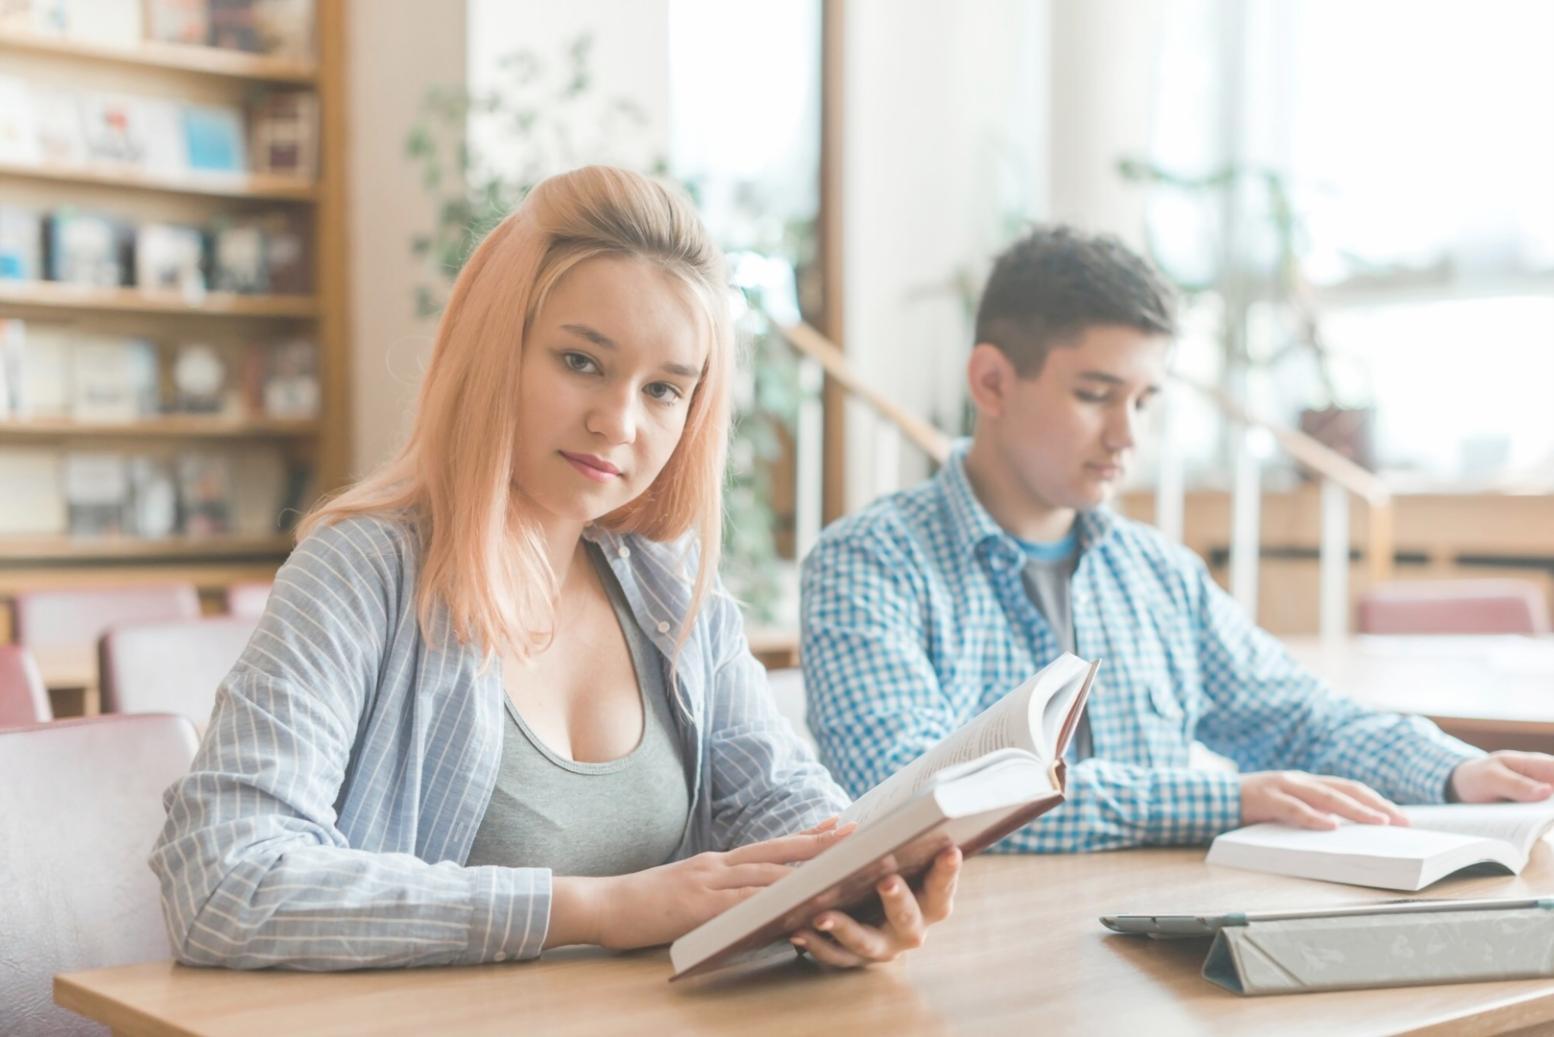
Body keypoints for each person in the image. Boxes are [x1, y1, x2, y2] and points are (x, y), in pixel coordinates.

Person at [151, 166, 959, 970]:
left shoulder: (670, 589)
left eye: (665, 390)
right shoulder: (363, 571)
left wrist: (859, 887)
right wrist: (594, 908)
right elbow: (227, 880)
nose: (617, 422)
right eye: (580, 361)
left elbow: (779, 800)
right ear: (495, 350)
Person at [800, 224, 1554, 854]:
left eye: (1145, 400)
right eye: (1095, 395)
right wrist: (1221, 797)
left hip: (1151, 952)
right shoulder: (868, 563)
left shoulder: (1157, 571)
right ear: (992, 382)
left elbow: (1299, 717)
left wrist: (1458, 773)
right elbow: (915, 798)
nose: (1128, 434)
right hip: (970, 966)